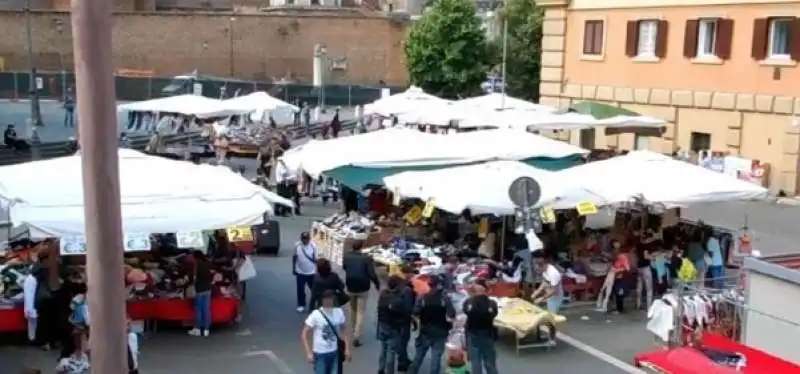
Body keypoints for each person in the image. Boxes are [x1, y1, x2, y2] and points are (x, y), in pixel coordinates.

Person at [409, 276, 455, 374]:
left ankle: (412, 371)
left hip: (425, 329)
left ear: (429, 284)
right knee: (436, 357)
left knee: (419, 354)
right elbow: (452, 314)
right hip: (441, 330)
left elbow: (415, 311)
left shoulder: (422, 297)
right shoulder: (444, 298)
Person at [341, 240, 380, 347]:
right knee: (361, 312)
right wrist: (377, 284)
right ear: (361, 247)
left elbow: (344, 267)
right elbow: (372, 274)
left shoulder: (347, 257)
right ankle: (357, 336)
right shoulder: (366, 258)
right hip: (363, 287)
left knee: (352, 310)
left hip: (350, 285)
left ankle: (353, 330)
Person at [302, 289, 350, 374]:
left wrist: (347, 349)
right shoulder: (316, 314)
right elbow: (304, 333)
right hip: (320, 353)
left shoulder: (338, 312)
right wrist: (308, 352)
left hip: (334, 352)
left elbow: (344, 331)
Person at [377, 275, 413, 374]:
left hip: (382, 325)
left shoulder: (383, 295)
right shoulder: (398, 300)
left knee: (383, 349)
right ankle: (389, 371)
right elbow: (404, 314)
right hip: (393, 328)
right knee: (391, 351)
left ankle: (381, 369)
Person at [463, 280, 499, 374]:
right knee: (490, 363)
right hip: (488, 335)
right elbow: (494, 314)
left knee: (476, 363)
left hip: (473, 335)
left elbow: (466, 311)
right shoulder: (492, 303)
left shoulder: (468, 303)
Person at [530, 251, 564, 315]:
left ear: (542, 266)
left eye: (538, 270)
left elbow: (554, 290)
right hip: (549, 295)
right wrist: (537, 291)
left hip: (556, 296)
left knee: (551, 316)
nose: (538, 272)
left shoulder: (553, 273)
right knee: (546, 314)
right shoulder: (544, 270)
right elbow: (545, 282)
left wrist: (541, 298)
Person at [188, 250, 213, 337]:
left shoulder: (196, 265)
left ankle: (198, 329)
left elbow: (193, 279)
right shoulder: (207, 263)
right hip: (208, 289)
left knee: (198, 309)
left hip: (199, 289)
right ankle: (206, 330)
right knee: (206, 309)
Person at [293, 232, 318, 313]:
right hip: (300, 272)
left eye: (306, 239)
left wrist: (317, 270)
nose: (305, 240)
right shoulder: (297, 245)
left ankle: (314, 304)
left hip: (312, 272)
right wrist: (293, 268)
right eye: (303, 239)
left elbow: (315, 259)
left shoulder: (313, 246)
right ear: (301, 239)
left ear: (309, 239)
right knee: (300, 290)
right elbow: (295, 257)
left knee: (314, 289)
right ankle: (301, 304)